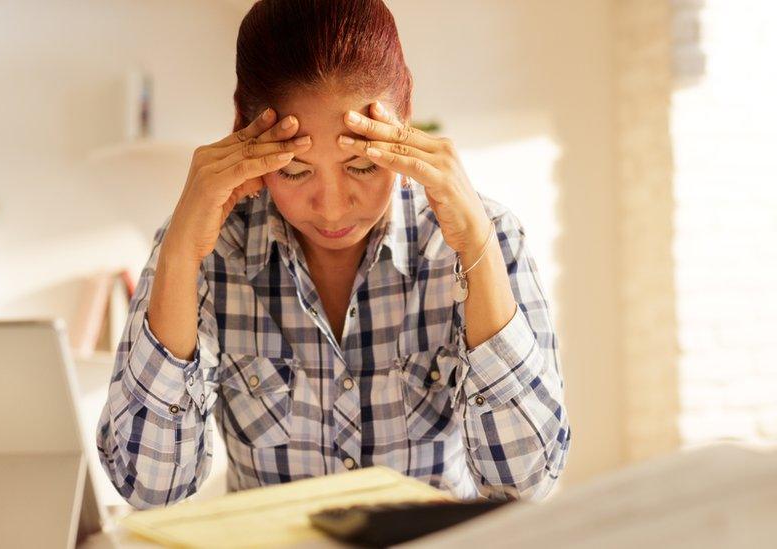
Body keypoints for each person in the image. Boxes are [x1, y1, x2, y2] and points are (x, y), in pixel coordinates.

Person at [97, 0, 570, 510]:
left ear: (405, 124)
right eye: (296, 172)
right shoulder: (210, 251)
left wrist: (477, 248)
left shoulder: (485, 236)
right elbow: (150, 488)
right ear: (242, 134)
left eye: (363, 166)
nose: (332, 206)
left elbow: (526, 485)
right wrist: (179, 256)